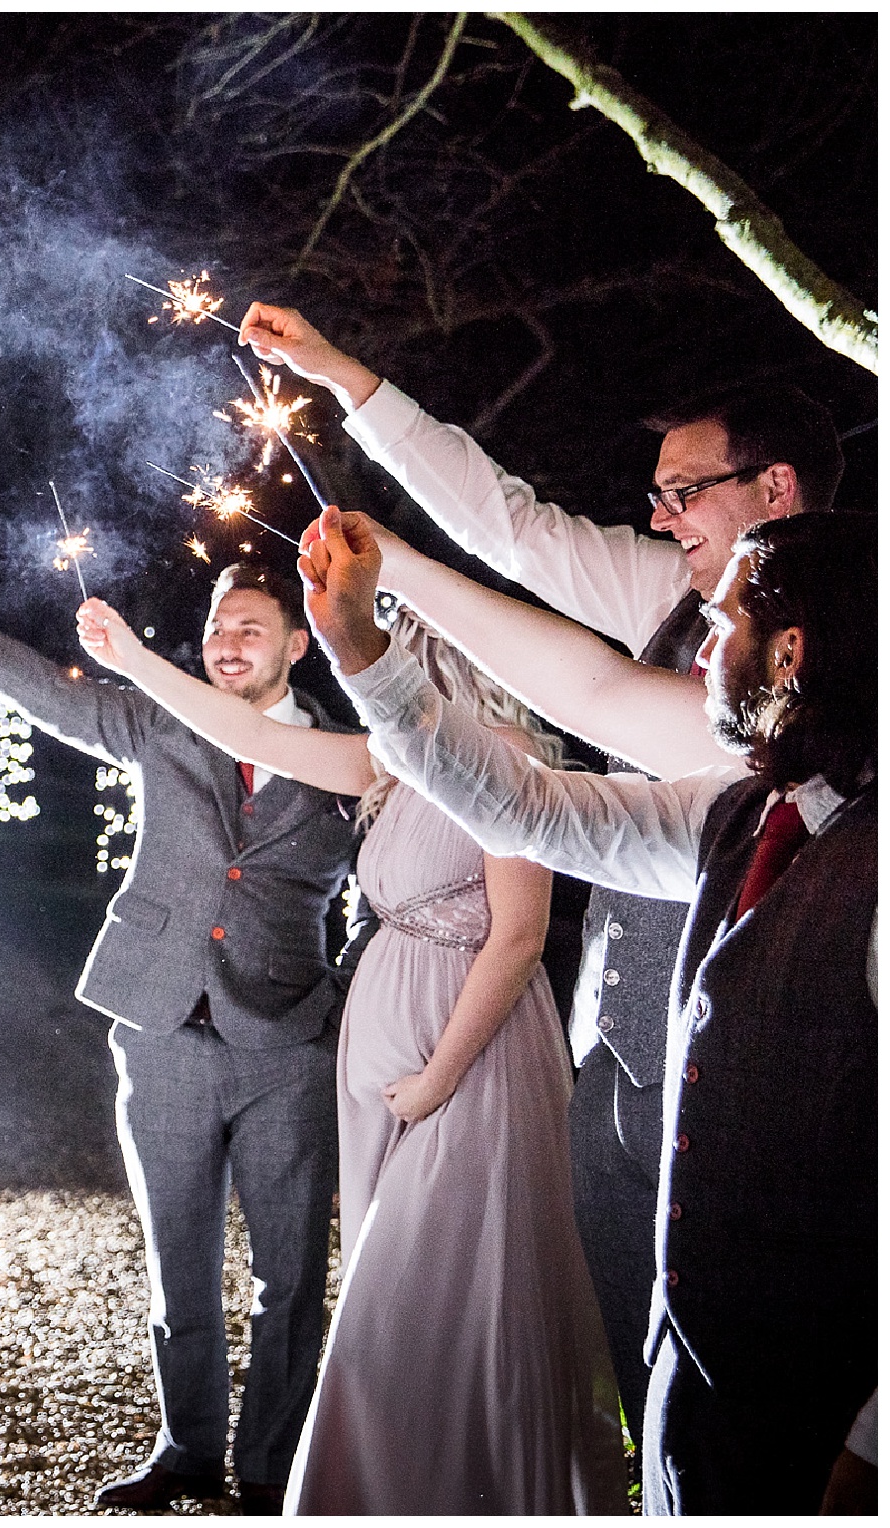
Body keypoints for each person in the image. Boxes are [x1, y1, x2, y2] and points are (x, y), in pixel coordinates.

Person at [239, 302, 840, 1418]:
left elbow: (587, 716)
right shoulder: (668, 601)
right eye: (655, 496)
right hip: (614, 1061)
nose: (659, 519)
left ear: (777, 489)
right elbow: (516, 544)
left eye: (685, 492)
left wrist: (380, 636)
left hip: (764, 1110)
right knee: (649, 1386)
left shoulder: (810, 732)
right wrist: (347, 395)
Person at [299, 506, 874, 1516]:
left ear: (791, 651)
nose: (701, 647)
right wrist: (365, 655)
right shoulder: (739, 811)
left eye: (726, 622)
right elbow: (526, 807)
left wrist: (872, 1442)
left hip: (831, 1418)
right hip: (700, 1388)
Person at [72, 596, 623, 1511]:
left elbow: (521, 936)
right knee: (382, 1276)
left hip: (462, 1049)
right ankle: (395, 1479)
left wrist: (438, 1078)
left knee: (451, 1267)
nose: (370, 672)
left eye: (392, 655)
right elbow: (242, 728)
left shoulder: (510, 764)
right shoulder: (389, 763)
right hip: (377, 1045)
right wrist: (133, 658)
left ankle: (473, 1479)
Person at [0, 547, 354, 1514]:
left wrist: (341, 992)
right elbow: (48, 694)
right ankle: (187, 1455)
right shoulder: (160, 717)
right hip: (160, 1025)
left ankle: (268, 1473)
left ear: (298, 644)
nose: (227, 642)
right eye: (217, 628)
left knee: (291, 1274)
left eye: (251, 627)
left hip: (288, 1041)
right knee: (180, 1262)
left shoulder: (350, 756)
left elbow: (388, 890)